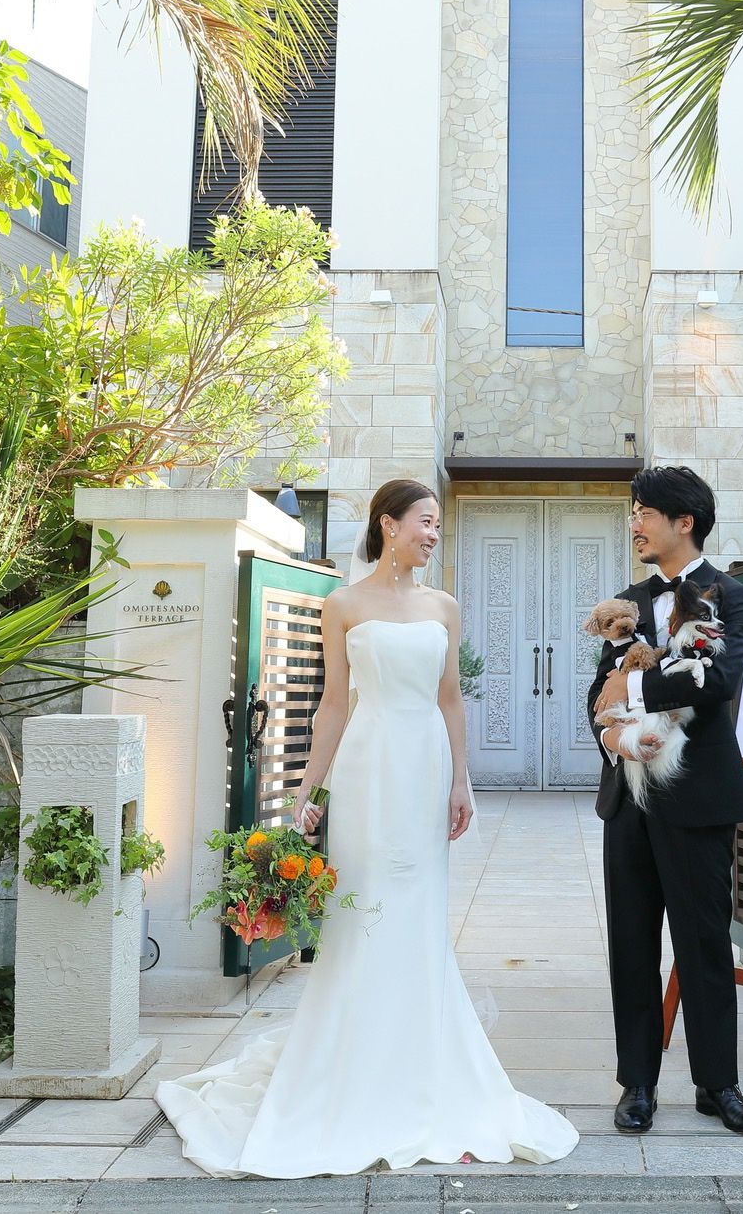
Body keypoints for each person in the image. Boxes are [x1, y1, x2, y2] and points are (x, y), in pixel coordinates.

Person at [156, 479, 578, 1177]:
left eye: (437, 523)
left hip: (424, 768)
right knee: (364, 911)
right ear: (389, 524)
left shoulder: (444, 606)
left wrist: (461, 778)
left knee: (418, 911)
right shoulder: (343, 604)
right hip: (366, 768)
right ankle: (347, 1061)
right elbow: (332, 705)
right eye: (424, 521)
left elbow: (450, 700)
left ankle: (421, 1064)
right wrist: (308, 790)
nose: (433, 533)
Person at [588, 465, 743, 1139]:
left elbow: (719, 679)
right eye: (633, 511)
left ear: (683, 521)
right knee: (631, 944)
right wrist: (615, 737)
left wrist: (631, 691)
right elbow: (595, 696)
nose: (634, 523)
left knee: (704, 944)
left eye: (644, 512)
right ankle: (637, 1082)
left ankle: (719, 1084)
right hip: (628, 799)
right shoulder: (626, 601)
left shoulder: (733, 595)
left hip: (698, 796)